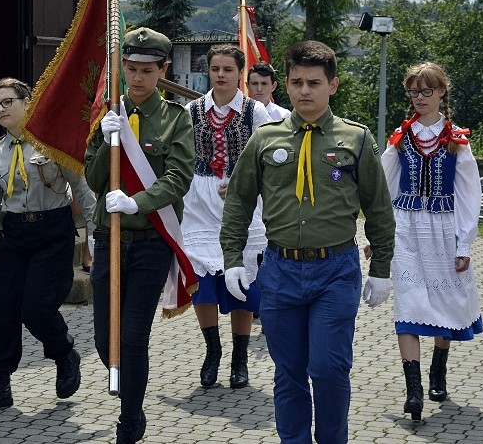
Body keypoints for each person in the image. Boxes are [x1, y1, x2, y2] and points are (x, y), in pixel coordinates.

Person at [220, 40, 395, 443]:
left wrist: (382, 268)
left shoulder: (356, 139)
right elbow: (240, 201)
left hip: (335, 271)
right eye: (297, 82)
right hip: (280, 271)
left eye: (314, 83)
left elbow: (379, 209)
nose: (304, 91)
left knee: (329, 368)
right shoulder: (265, 139)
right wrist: (232, 258)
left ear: (332, 85)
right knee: (290, 372)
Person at [84, 27, 194, 443]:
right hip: (108, 239)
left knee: (132, 335)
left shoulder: (175, 120)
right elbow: (94, 178)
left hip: (149, 241)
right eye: (130, 69)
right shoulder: (107, 114)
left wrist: (138, 203)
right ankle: (128, 393)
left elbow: (178, 177)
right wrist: (109, 136)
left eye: (147, 70)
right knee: (102, 337)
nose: (136, 78)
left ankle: (130, 418)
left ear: (162, 70)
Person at [0, 77, 96, 411]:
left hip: (52, 232)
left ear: (27, 102)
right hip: (14, 235)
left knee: (36, 309)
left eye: (8, 102)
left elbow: (83, 191)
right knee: (3, 309)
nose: (1, 110)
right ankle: (1, 384)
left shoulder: (53, 143)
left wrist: (95, 236)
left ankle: (64, 354)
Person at [379, 62, 483, 421]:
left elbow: (470, 193)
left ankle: (438, 366)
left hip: (443, 229)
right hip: (406, 229)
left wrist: (464, 243)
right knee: (408, 307)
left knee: (444, 303)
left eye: (426, 91)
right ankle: (414, 389)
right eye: (413, 92)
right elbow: (383, 187)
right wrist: (378, 236)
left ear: (441, 92)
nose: (419, 98)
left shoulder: (456, 140)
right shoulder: (400, 137)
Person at [182, 44, 271, 390]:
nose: (220, 75)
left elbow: (268, 159)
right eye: (215, 68)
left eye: (228, 69)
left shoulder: (255, 112)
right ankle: (212, 351)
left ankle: (240, 358)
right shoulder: (192, 110)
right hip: (199, 201)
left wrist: (241, 181)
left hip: (241, 203)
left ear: (240, 73)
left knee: (241, 285)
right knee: (202, 285)